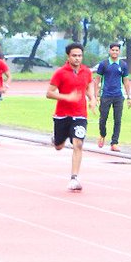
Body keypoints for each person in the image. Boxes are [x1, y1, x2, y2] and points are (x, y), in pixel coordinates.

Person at [47, 42, 96, 191]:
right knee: (59, 147)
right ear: (68, 56)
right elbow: (49, 93)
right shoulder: (60, 73)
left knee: (78, 144)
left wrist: (92, 98)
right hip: (62, 115)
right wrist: (67, 97)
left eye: (80, 56)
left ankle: (74, 178)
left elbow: (89, 85)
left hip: (80, 114)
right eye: (74, 56)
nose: (77, 58)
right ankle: (57, 139)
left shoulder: (87, 72)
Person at [93, 43, 131, 152]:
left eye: (117, 50)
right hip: (105, 95)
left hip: (118, 96)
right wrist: (95, 96)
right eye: (113, 50)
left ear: (119, 52)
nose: (115, 52)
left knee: (118, 120)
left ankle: (114, 142)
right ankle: (102, 134)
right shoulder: (104, 64)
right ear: (109, 51)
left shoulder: (123, 65)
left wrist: (129, 97)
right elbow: (97, 80)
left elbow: (126, 81)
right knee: (103, 119)